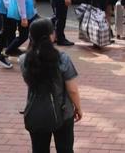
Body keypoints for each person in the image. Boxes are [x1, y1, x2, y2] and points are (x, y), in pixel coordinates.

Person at [19, 18, 82, 153]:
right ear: (50, 36)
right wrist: (78, 108)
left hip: (35, 111)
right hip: (63, 111)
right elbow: (72, 90)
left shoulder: (24, 60)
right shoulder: (62, 58)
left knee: (39, 149)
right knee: (65, 149)